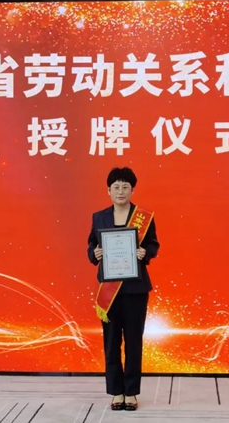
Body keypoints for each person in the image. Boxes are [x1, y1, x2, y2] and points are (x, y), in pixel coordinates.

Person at [87, 167, 160, 411]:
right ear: (108, 191)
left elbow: (153, 244)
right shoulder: (99, 217)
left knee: (133, 342)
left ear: (132, 190)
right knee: (111, 343)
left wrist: (145, 252)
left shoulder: (144, 217)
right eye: (116, 187)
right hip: (109, 291)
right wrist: (95, 253)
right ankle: (116, 391)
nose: (120, 191)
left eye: (125, 187)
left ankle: (131, 393)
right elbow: (91, 244)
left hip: (135, 290)